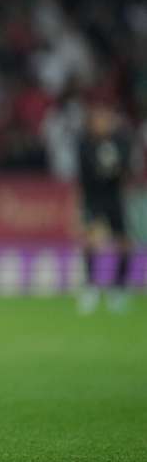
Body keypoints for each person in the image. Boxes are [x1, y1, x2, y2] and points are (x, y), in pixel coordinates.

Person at [77, 100, 133, 314]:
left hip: (114, 198)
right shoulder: (85, 144)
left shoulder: (120, 141)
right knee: (91, 240)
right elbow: (89, 172)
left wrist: (110, 170)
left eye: (106, 119)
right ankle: (90, 287)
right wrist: (109, 169)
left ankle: (118, 288)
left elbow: (125, 168)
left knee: (124, 242)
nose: (103, 123)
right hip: (94, 198)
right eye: (99, 119)